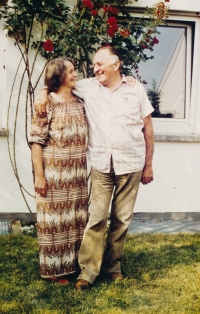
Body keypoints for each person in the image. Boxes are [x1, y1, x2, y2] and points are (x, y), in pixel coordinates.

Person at [34, 46, 154, 290]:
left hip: (130, 164)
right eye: (94, 65)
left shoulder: (135, 89)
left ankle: (113, 267)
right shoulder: (88, 87)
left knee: (122, 220)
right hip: (101, 164)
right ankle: (88, 272)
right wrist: (42, 93)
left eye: (100, 64)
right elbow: (56, 82)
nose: (94, 68)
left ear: (116, 65)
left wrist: (148, 165)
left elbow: (148, 129)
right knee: (96, 218)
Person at [29, 58, 88, 284]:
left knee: (75, 220)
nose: (75, 74)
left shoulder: (80, 101)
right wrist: (40, 176)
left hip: (77, 175)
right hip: (54, 175)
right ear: (59, 75)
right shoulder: (47, 104)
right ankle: (54, 272)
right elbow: (36, 141)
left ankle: (72, 266)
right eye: (71, 71)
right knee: (54, 222)